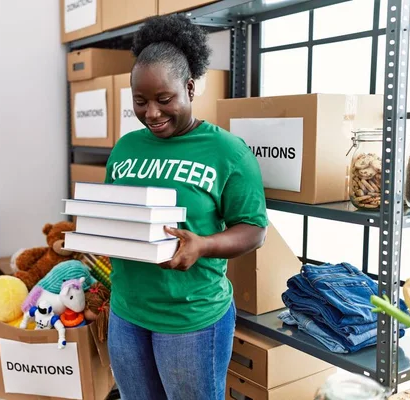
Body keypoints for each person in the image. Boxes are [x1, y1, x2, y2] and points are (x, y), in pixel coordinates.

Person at [103, 13, 268, 400]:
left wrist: (203, 245)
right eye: (140, 102)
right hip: (127, 312)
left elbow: (254, 229)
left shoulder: (228, 151)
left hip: (191, 319)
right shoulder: (126, 147)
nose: (152, 114)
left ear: (190, 88)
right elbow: (115, 213)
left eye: (164, 100)